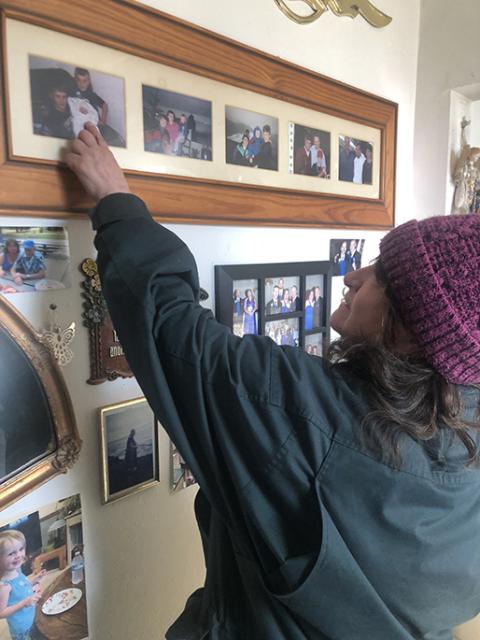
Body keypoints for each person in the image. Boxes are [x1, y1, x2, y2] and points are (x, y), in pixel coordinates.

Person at [66, 123, 480, 639]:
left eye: (380, 276)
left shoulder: (312, 414)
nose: (353, 276)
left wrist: (116, 201)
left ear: (416, 331)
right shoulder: (466, 424)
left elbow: (172, 330)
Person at [0, 530, 43, 640]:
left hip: (32, 616)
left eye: (21, 549)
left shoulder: (17, 571)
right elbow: (1, 613)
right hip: (22, 628)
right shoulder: (4, 586)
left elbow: (21, 586)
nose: (18, 555)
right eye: (11, 553)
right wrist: (24, 603)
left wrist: (34, 580)